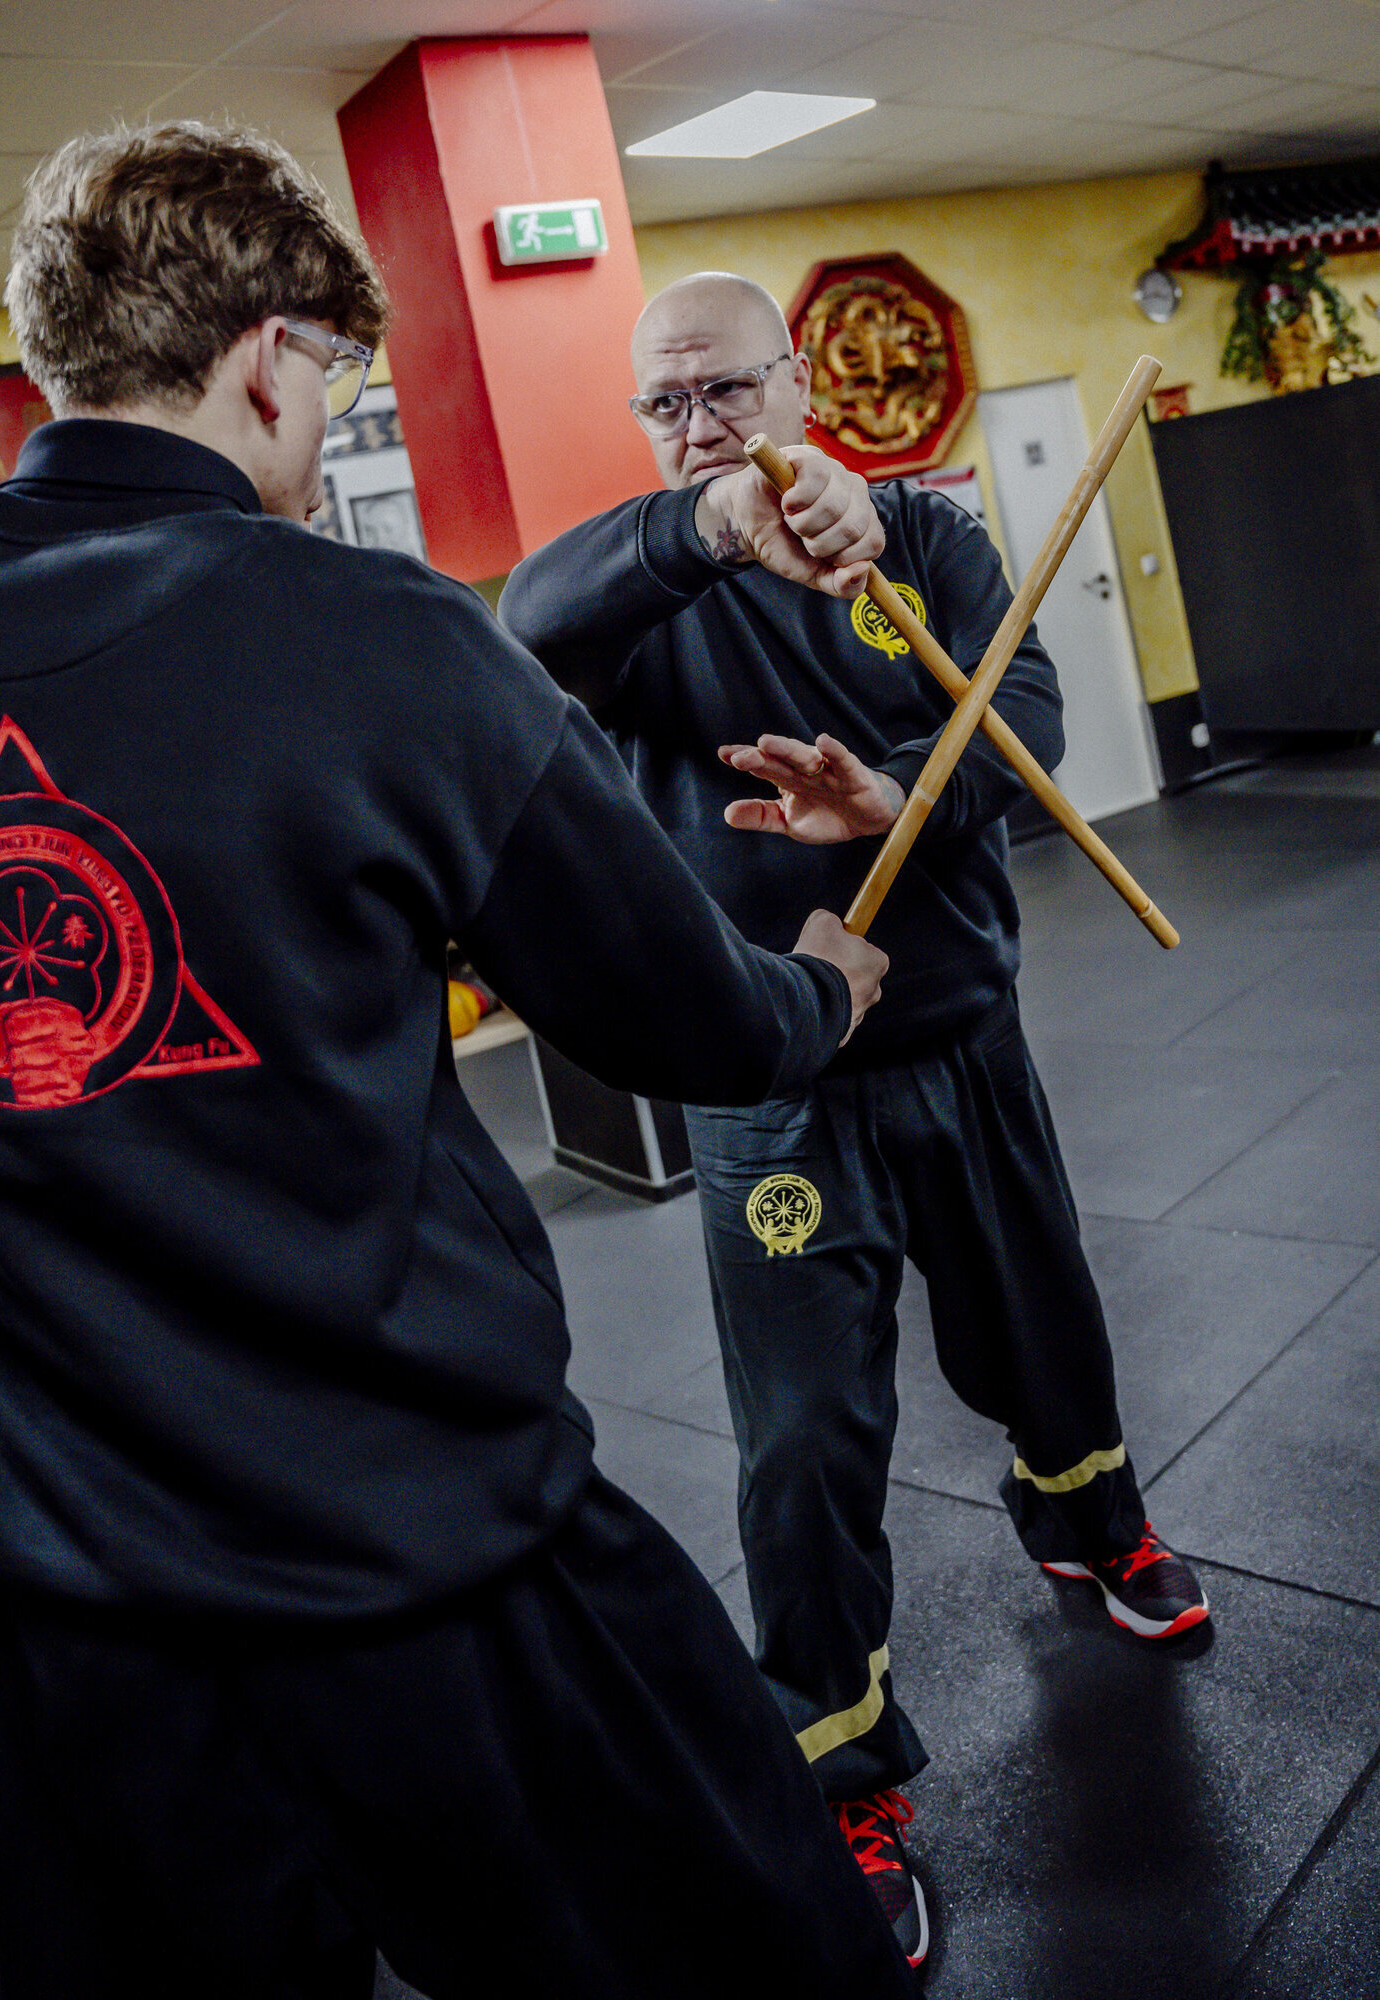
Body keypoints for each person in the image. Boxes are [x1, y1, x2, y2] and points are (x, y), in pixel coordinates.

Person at [0, 133, 923, 2000]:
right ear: (273, 355)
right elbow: (676, 1017)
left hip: (77, 1610)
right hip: (430, 1565)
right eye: (336, 382)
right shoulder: (366, 630)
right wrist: (822, 983)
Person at [500, 269, 1210, 1970]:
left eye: (724, 394)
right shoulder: (646, 582)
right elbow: (525, 622)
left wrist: (908, 795)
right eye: (664, 404)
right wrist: (712, 524)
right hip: (774, 1073)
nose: (698, 429)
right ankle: (836, 1755)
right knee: (805, 1439)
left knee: (1041, 1326)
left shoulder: (925, 543)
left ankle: (1088, 1521)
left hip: (960, 1034)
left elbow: (1022, 713)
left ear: (793, 376)